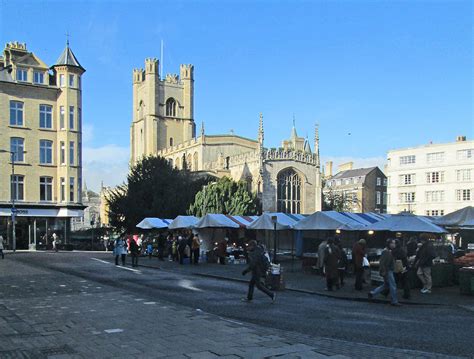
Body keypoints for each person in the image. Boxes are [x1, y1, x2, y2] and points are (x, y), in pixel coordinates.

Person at [368, 239, 401, 306]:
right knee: (393, 285)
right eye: (393, 243)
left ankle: (372, 293)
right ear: (390, 244)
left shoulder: (388, 251)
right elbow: (382, 263)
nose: (395, 245)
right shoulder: (386, 252)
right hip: (388, 271)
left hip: (388, 270)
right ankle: (394, 301)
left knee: (386, 285)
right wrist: (383, 271)